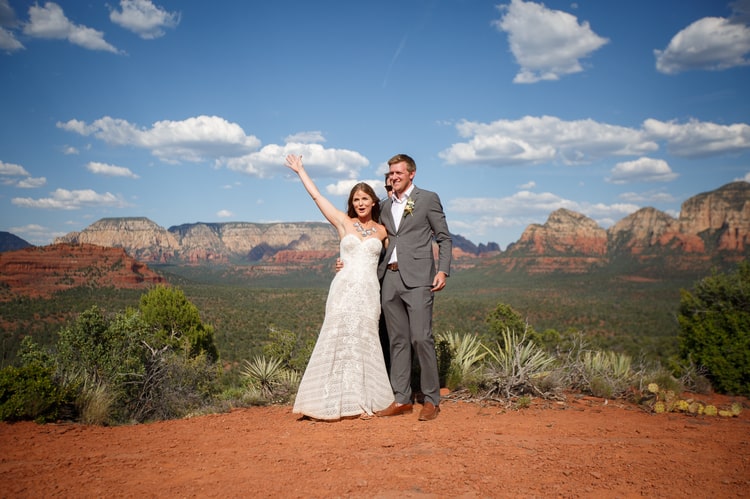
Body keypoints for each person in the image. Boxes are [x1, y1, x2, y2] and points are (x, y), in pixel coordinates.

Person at [284, 154, 395, 421]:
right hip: (343, 289)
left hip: (369, 292)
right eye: (355, 200)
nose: (360, 203)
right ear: (351, 203)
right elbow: (317, 197)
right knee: (336, 338)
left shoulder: (383, 231)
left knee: (364, 340)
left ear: (373, 202)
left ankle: (361, 400)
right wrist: (300, 170)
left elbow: (394, 259)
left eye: (364, 199)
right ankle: (326, 402)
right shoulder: (343, 223)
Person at [375, 153, 452, 421]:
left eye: (399, 172)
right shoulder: (385, 206)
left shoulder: (427, 199)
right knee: (397, 341)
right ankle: (402, 399)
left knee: (421, 337)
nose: (394, 177)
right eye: (391, 173)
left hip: (419, 278)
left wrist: (442, 270)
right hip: (390, 279)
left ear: (412, 174)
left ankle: (431, 400)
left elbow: (444, 238)